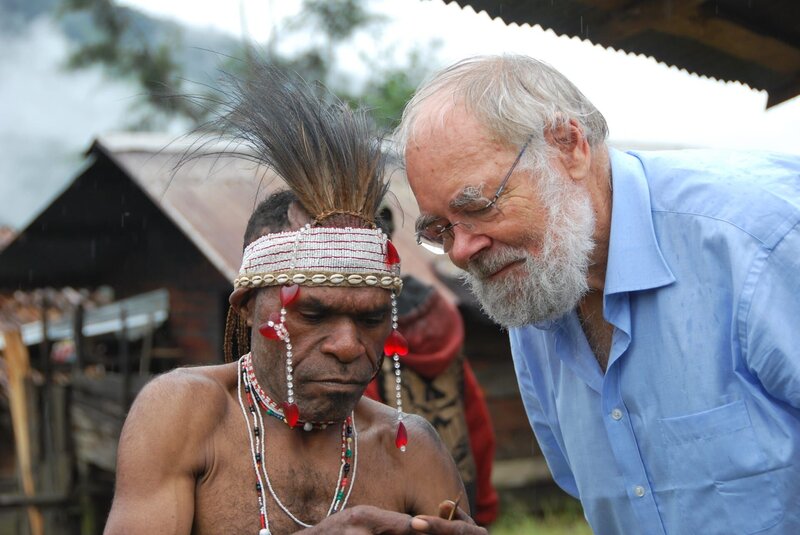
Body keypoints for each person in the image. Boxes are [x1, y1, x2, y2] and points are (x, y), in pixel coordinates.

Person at [394, 53, 800, 534]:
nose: (460, 252)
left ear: (569, 147)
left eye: (479, 205)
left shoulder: (761, 240)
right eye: (439, 229)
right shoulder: (534, 290)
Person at [104, 65, 486, 535]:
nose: (347, 346)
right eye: (312, 312)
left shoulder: (411, 449)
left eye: (370, 319)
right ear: (246, 305)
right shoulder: (184, 414)